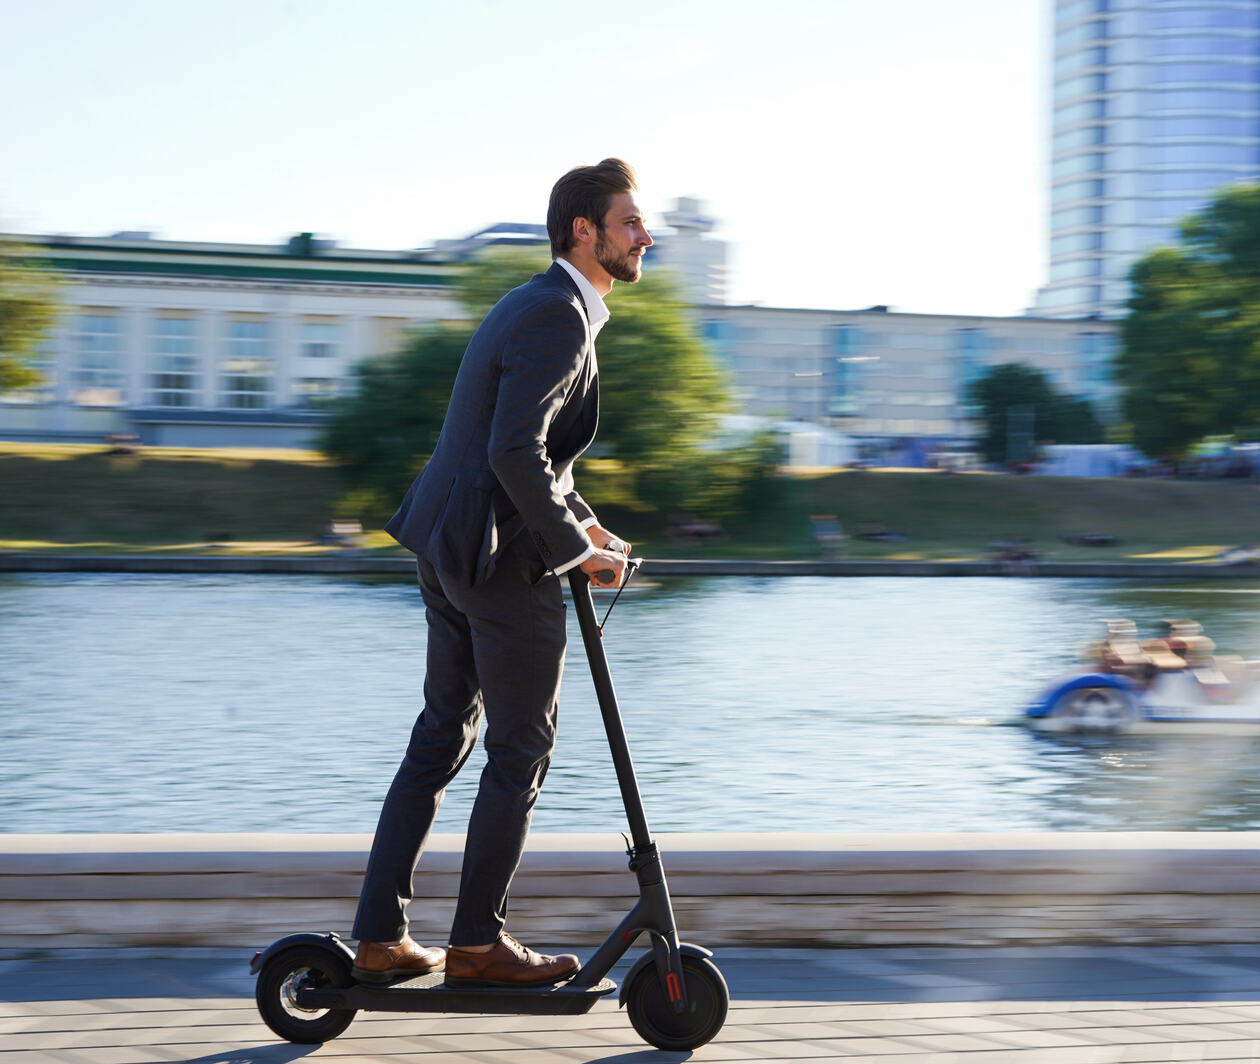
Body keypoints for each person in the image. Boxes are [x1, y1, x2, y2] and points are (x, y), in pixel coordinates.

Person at [349, 159, 650, 989]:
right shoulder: (557, 316)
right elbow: (512, 450)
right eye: (629, 222)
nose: (645, 237)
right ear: (583, 231)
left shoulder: (540, 304)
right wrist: (569, 552)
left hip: (448, 547)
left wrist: (585, 525)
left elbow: (534, 452)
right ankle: (477, 946)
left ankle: (379, 939)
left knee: (440, 737)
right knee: (522, 747)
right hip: (496, 561)